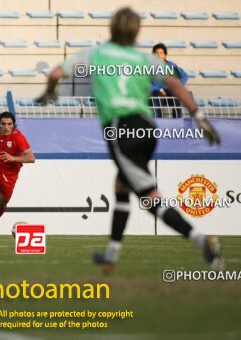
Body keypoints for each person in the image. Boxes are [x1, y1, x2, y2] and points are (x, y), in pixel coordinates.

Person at [37, 7, 224, 273]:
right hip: (147, 127)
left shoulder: (96, 54)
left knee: (150, 198)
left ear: (111, 27)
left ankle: (202, 240)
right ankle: (111, 256)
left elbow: (55, 74)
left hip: (121, 129)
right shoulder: (143, 58)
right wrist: (198, 115)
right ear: (137, 31)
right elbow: (174, 83)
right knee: (122, 186)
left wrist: (49, 94)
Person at [151, 43, 188, 118]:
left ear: (165, 55)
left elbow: (184, 76)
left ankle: (177, 121)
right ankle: (159, 122)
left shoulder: (172, 65)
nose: (158, 55)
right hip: (158, 91)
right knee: (158, 96)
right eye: (156, 53)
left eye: (161, 53)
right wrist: (159, 88)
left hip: (170, 90)